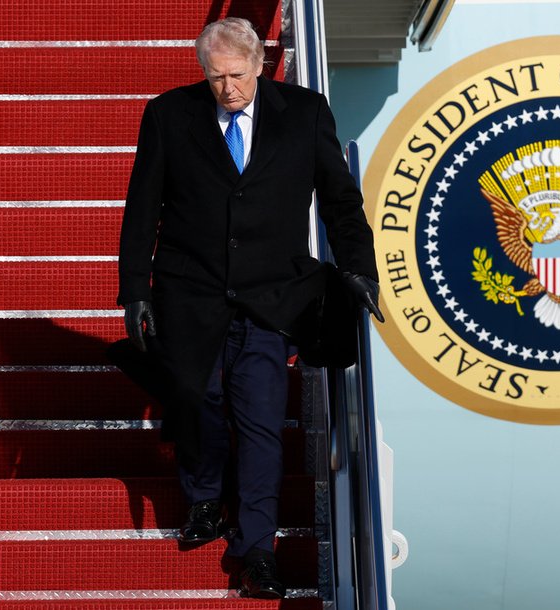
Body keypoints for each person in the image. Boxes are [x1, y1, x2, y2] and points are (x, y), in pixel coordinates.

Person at [116, 17, 382, 599]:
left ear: (261, 65)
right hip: (190, 292)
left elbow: (340, 201)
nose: (228, 89)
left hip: (271, 297)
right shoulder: (168, 115)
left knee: (261, 422)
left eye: (237, 75)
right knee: (196, 400)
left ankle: (258, 549)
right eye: (216, 78)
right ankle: (206, 499)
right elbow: (142, 208)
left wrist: (359, 268)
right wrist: (134, 289)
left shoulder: (305, 114)